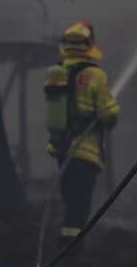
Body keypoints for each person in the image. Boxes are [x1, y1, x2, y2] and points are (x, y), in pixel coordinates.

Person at [45, 20, 119, 249]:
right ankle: (73, 246)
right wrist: (109, 115)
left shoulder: (56, 73)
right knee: (81, 200)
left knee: (70, 197)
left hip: (62, 148)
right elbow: (109, 114)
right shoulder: (95, 75)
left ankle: (68, 241)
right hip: (86, 150)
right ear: (89, 45)